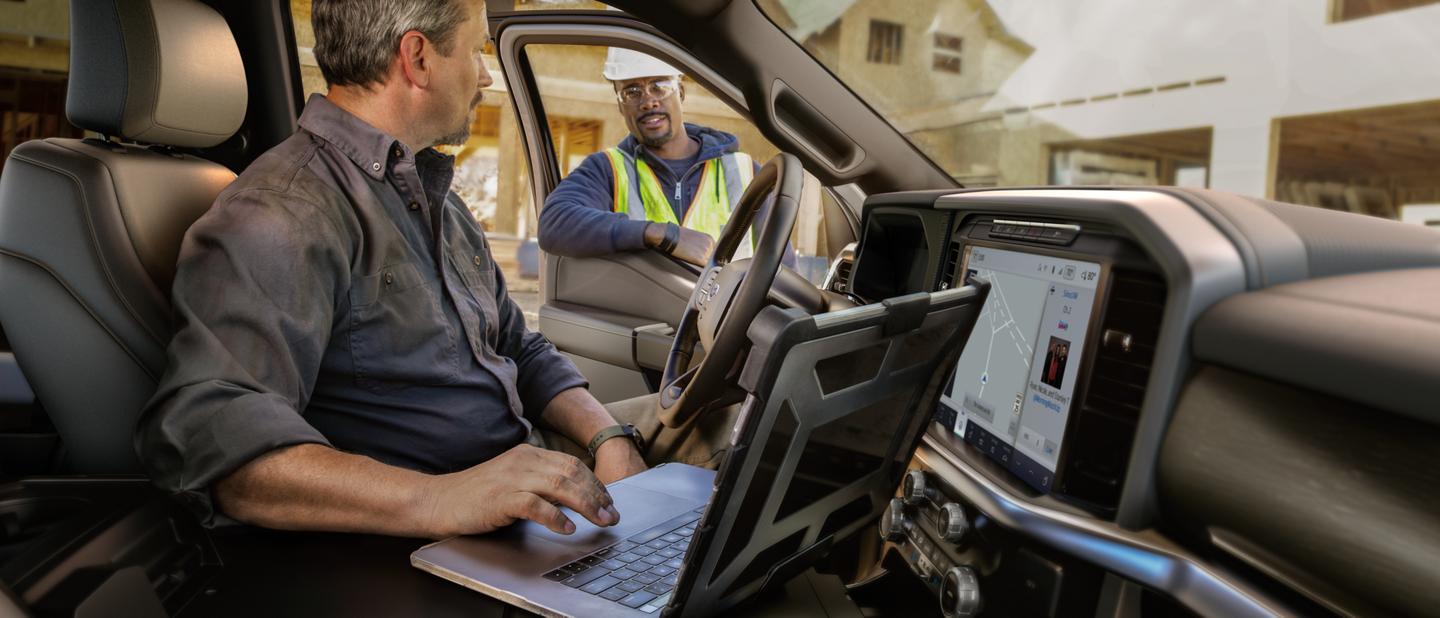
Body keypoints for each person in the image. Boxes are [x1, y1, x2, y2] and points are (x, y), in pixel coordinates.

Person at [136, 0, 648, 540]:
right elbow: (218, 440)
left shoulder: (439, 203)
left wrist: (606, 438)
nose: (486, 74)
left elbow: (520, 348)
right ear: (418, 58)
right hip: (439, 524)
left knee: (721, 424)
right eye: (476, 51)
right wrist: (441, 498)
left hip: (523, 474)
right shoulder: (281, 212)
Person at [538, 48, 766, 267]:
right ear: (620, 105)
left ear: (682, 92)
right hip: (641, 307)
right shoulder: (607, 170)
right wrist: (659, 233)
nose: (648, 101)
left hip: (727, 307)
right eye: (632, 92)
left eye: (659, 86)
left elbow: (780, 271)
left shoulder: (746, 173)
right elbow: (553, 223)